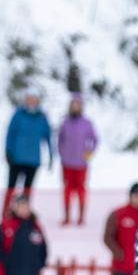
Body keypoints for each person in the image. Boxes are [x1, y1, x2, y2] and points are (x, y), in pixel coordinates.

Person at [3, 88, 52, 213]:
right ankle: (6, 213)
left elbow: (48, 136)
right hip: (17, 158)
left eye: (33, 99)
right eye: (28, 98)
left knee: (28, 190)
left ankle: (25, 214)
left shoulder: (41, 117)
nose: (31, 101)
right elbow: (10, 133)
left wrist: (51, 155)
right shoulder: (18, 114)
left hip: (33, 159)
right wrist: (8, 151)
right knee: (11, 187)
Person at [56, 92, 98, 224]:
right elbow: (60, 139)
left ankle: (81, 217)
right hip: (67, 162)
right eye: (74, 105)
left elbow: (95, 139)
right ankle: (67, 216)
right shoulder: (65, 122)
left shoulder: (87, 123)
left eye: (78, 105)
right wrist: (61, 152)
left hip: (81, 164)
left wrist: (89, 153)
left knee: (81, 190)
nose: (76, 107)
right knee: (67, 190)